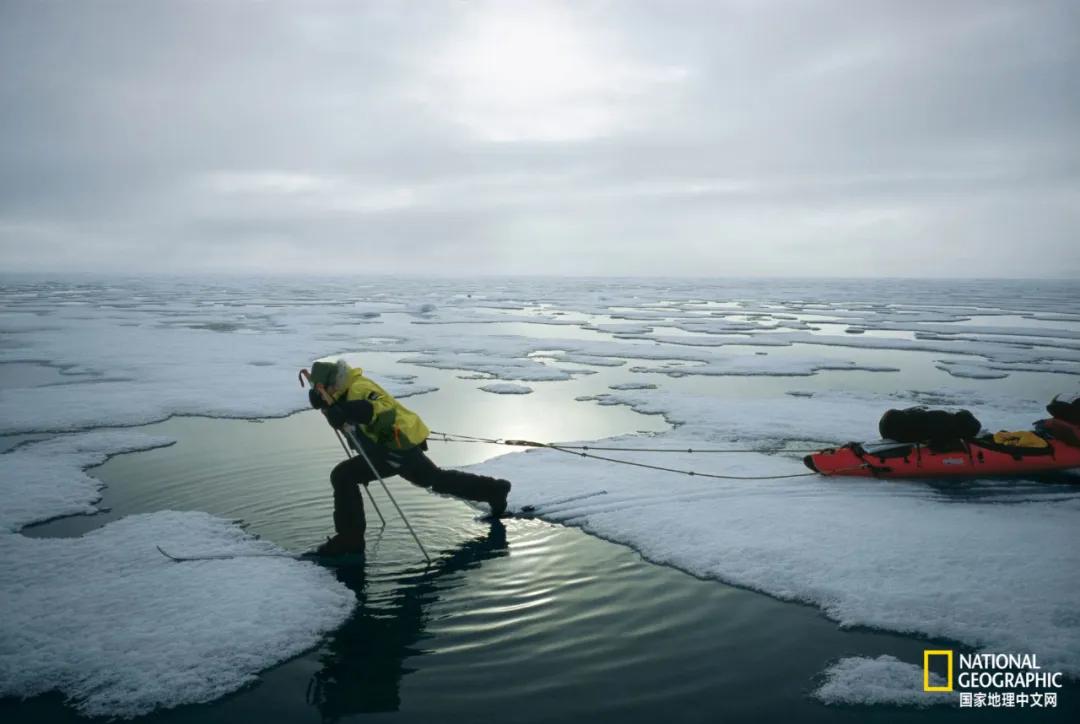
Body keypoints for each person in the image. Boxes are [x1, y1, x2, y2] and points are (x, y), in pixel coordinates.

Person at [307, 359, 511, 556]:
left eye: (322, 391)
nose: (322, 394)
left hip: (395, 447)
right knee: (433, 479)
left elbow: (382, 407)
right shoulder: (341, 393)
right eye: (318, 392)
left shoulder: (359, 388)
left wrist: (349, 410)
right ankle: (493, 490)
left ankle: (350, 542)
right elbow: (343, 417)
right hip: (390, 447)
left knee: (343, 476)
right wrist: (326, 407)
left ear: (332, 383)